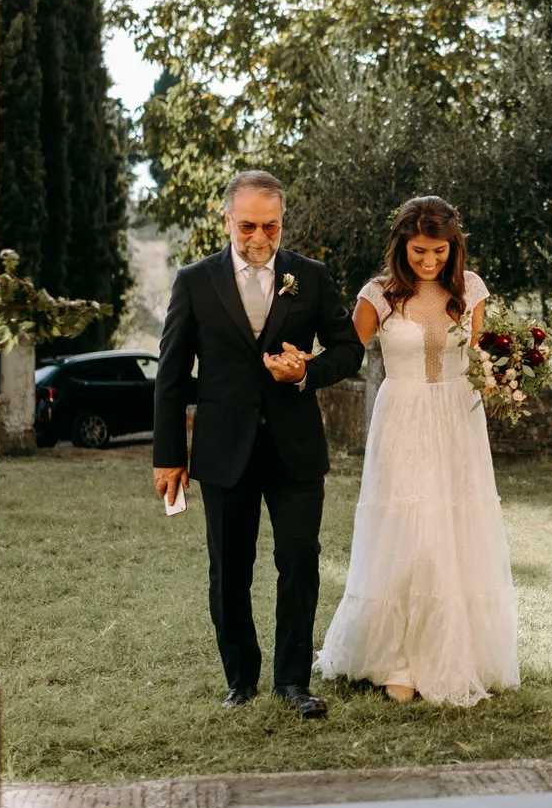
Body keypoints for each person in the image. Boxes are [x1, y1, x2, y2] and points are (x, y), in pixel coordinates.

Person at [153, 170, 365, 717]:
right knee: (229, 569)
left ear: (282, 222)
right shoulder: (194, 281)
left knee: (299, 561)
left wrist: (305, 371)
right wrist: (169, 456)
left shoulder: (310, 277)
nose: (259, 237)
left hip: (295, 450)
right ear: (226, 220)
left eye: (270, 226)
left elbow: (348, 349)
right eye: (247, 224)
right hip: (224, 452)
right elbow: (172, 376)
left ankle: (293, 684)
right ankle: (241, 683)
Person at [315, 196, 519, 705]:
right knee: (410, 533)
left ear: (454, 248)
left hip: (457, 420)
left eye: (439, 252)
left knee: (453, 532)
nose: (429, 262)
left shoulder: (469, 289)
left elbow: (479, 356)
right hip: (402, 419)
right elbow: (343, 353)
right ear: (401, 246)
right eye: (420, 252)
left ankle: (451, 652)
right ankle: (399, 660)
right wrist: (300, 366)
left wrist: (506, 381)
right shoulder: (379, 294)